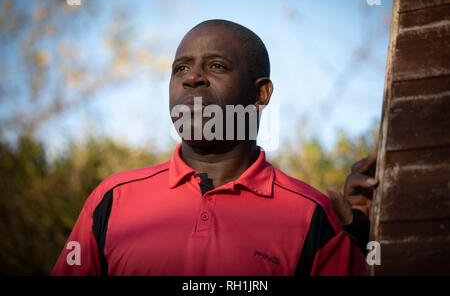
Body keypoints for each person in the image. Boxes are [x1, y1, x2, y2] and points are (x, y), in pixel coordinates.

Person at [51, 19, 366, 276]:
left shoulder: (312, 215)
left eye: (216, 66)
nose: (192, 79)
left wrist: (378, 245)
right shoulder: (113, 198)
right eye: (181, 68)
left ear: (261, 94)